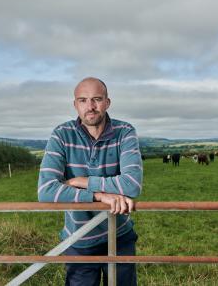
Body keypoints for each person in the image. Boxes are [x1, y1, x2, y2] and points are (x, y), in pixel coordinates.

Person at [38, 77, 143, 285]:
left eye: (96, 99)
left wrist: (82, 181)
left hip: (119, 235)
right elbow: (46, 191)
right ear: (75, 104)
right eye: (83, 100)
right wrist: (99, 195)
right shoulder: (61, 134)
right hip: (79, 239)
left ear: (107, 102)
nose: (90, 106)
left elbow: (132, 184)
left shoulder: (125, 132)